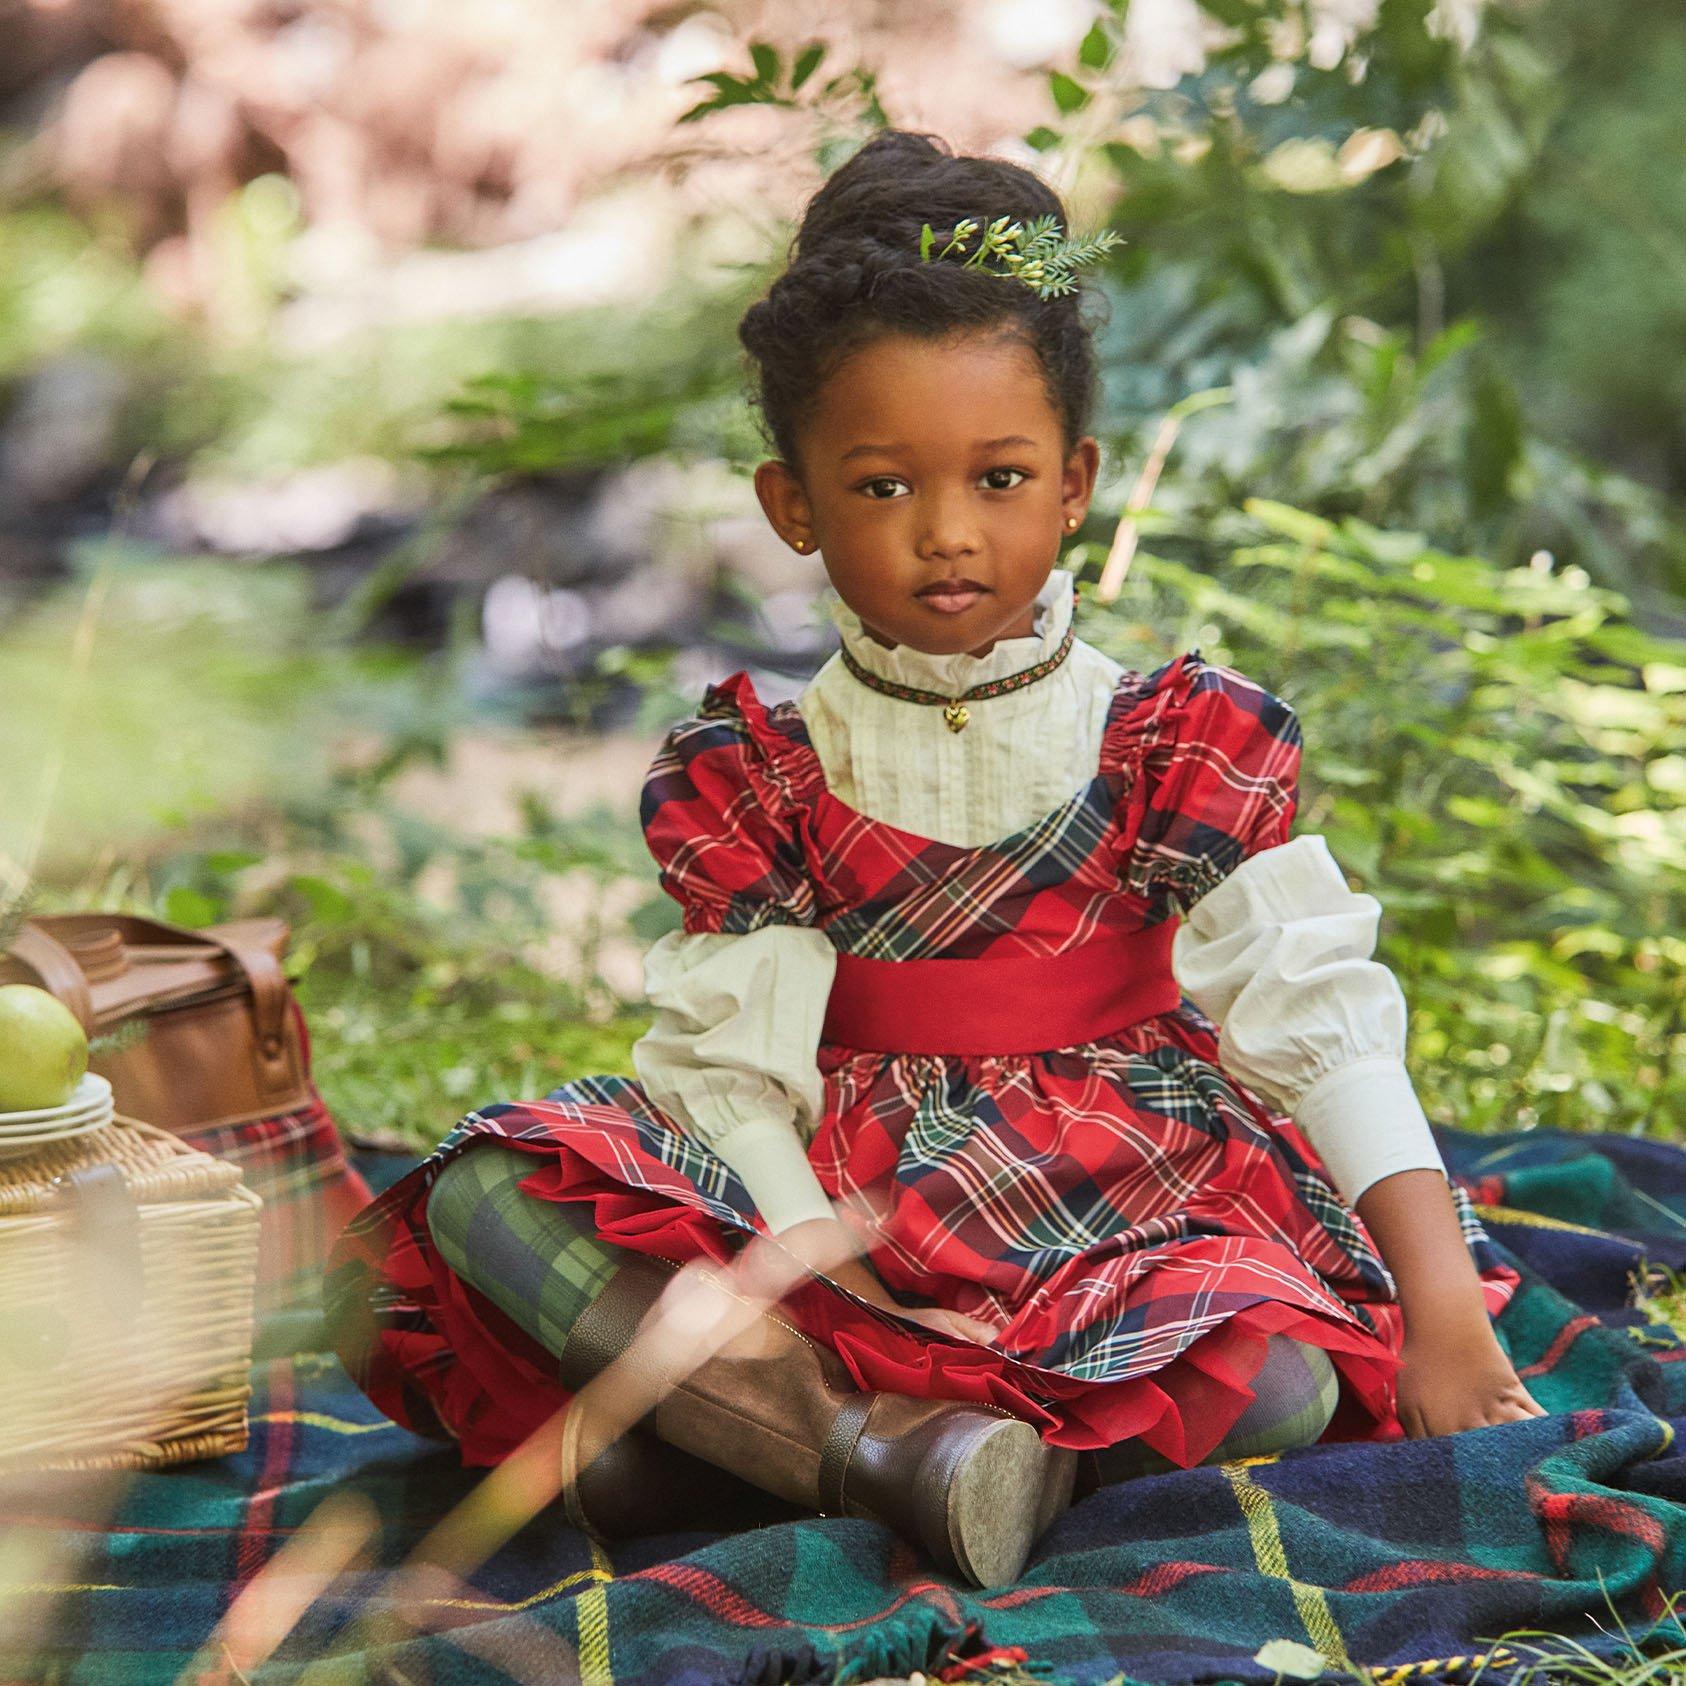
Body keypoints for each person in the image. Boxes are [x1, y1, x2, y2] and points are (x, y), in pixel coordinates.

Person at [324, 128, 1542, 1590]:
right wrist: (813, 1266)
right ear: (794, 506)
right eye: (884, 487)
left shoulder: (1168, 739)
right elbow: (730, 1076)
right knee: (481, 1189)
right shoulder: (759, 775)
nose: (947, 535)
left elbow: (1312, 1008)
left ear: (1075, 482)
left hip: (1124, 1202)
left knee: (1273, 1369)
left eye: (1000, 477)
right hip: (845, 1205)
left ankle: (752, 1445)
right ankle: (870, 1449)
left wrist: (1438, 1308)